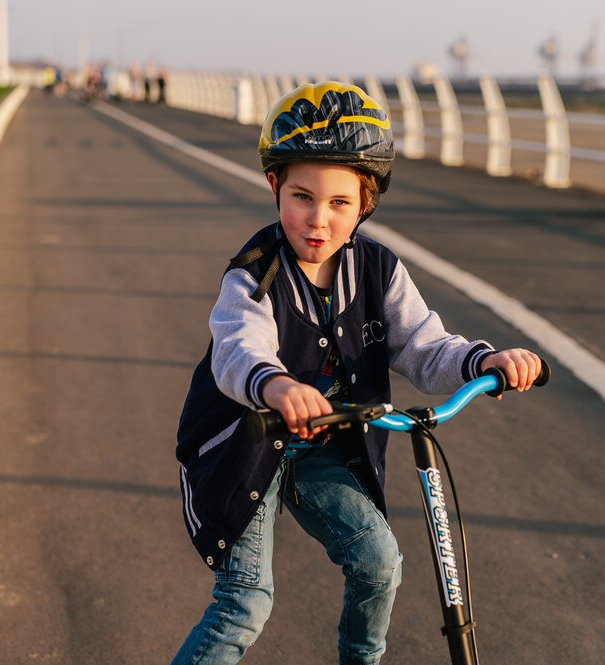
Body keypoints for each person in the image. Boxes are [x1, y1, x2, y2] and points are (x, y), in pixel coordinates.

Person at [172, 81, 543, 665]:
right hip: (246, 445)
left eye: (339, 203)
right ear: (274, 186)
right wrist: (277, 385)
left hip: (322, 446)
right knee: (245, 602)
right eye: (301, 196)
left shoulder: (377, 270)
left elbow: (424, 345)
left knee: (379, 563)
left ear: (365, 204)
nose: (317, 219)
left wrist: (485, 360)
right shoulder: (254, 275)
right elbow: (238, 349)